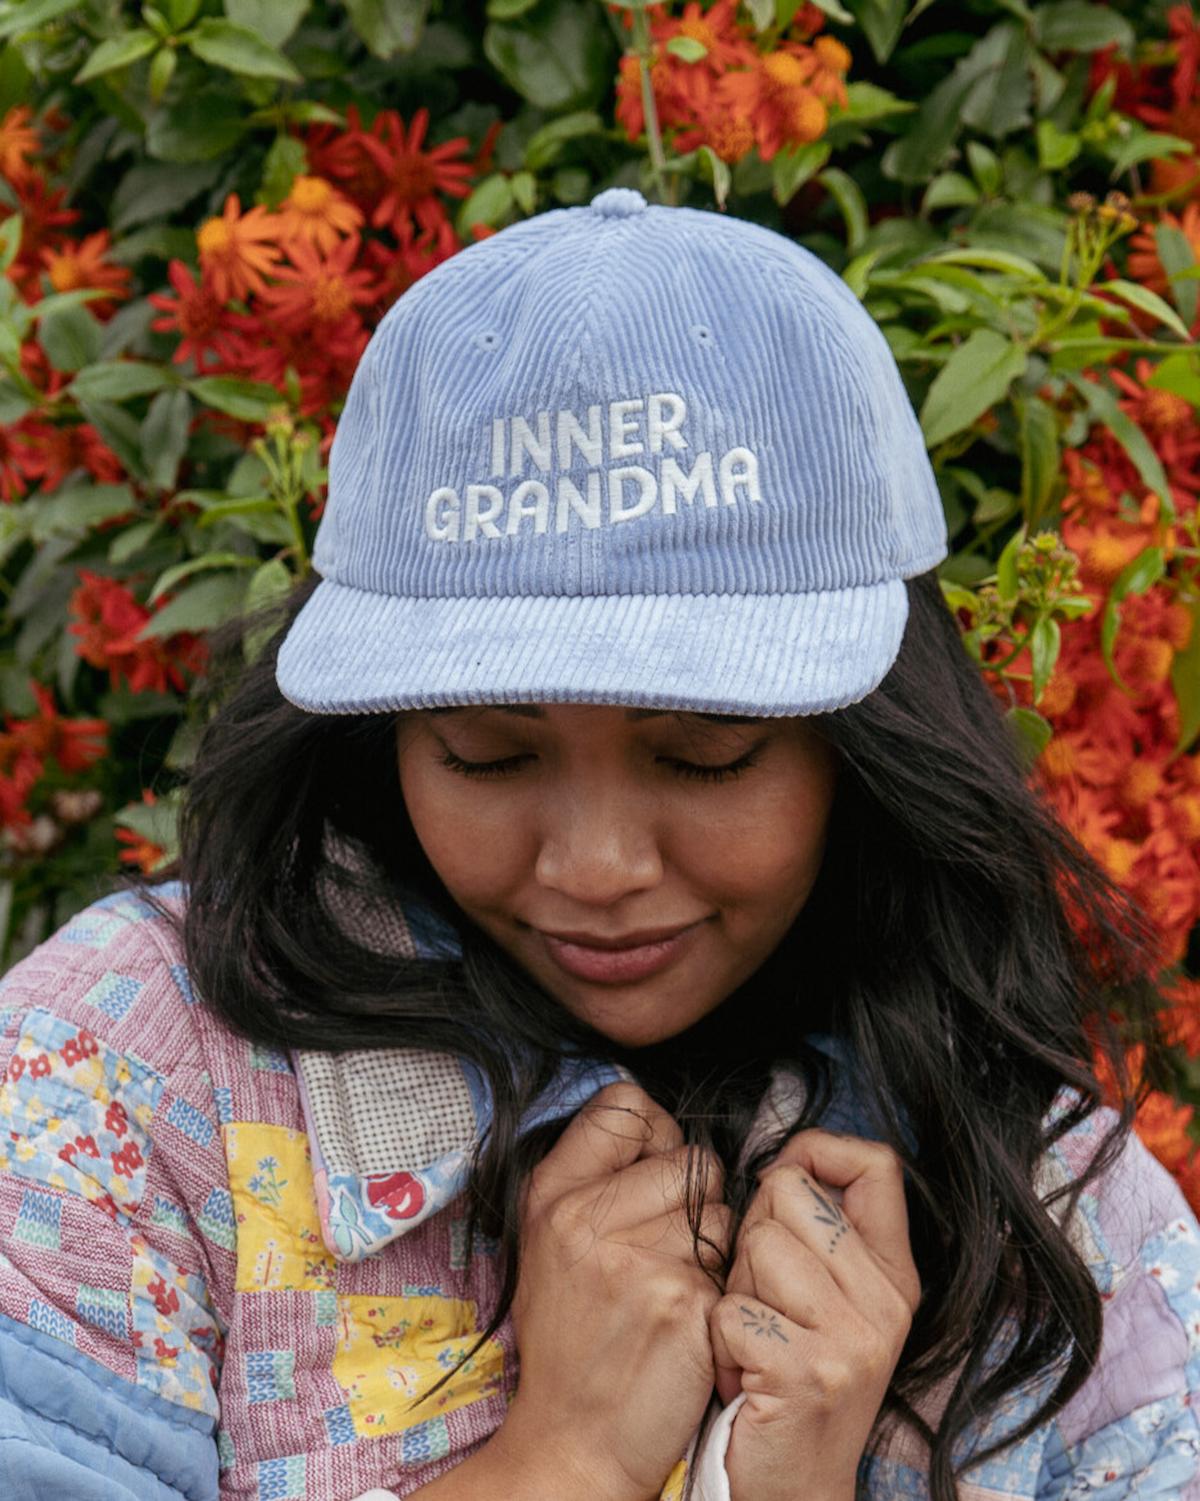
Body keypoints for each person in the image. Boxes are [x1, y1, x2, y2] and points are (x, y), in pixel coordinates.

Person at [0, 185, 1196, 1501]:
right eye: (488, 754)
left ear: (865, 740)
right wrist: (556, 1461)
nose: (598, 865)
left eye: (706, 755)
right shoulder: (120, 1078)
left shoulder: (1061, 1212)